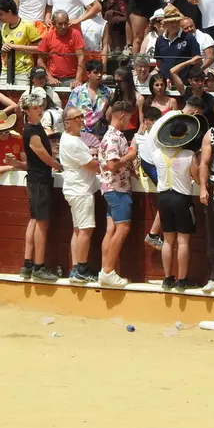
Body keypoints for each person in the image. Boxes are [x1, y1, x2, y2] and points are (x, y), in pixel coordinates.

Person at [152, 112, 201, 292]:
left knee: (167, 240)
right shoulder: (189, 155)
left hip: (164, 198)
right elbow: (196, 176)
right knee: (183, 242)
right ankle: (181, 280)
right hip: (182, 198)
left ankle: (166, 278)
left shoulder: (157, 154)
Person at [19, 92, 62, 282]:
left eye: (40, 106)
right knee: (41, 222)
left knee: (35, 220)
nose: (40, 109)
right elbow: (43, 155)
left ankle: (28, 264)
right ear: (27, 111)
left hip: (36, 179)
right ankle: (38, 266)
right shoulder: (31, 131)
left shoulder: (34, 128)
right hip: (40, 180)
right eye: (35, 108)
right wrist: (60, 166)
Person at [59, 104, 100, 283]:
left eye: (81, 117)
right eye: (77, 118)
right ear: (67, 123)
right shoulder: (73, 142)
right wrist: (99, 159)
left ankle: (76, 268)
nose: (81, 120)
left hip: (75, 188)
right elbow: (93, 166)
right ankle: (81, 269)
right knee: (85, 230)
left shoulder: (69, 139)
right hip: (81, 190)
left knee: (78, 230)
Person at [98, 100, 136, 288]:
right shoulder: (114, 137)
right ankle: (108, 271)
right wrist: (131, 155)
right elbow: (113, 165)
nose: (129, 121)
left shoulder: (111, 136)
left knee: (111, 230)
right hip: (117, 188)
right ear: (122, 115)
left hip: (110, 188)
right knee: (122, 229)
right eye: (128, 117)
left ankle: (105, 269)